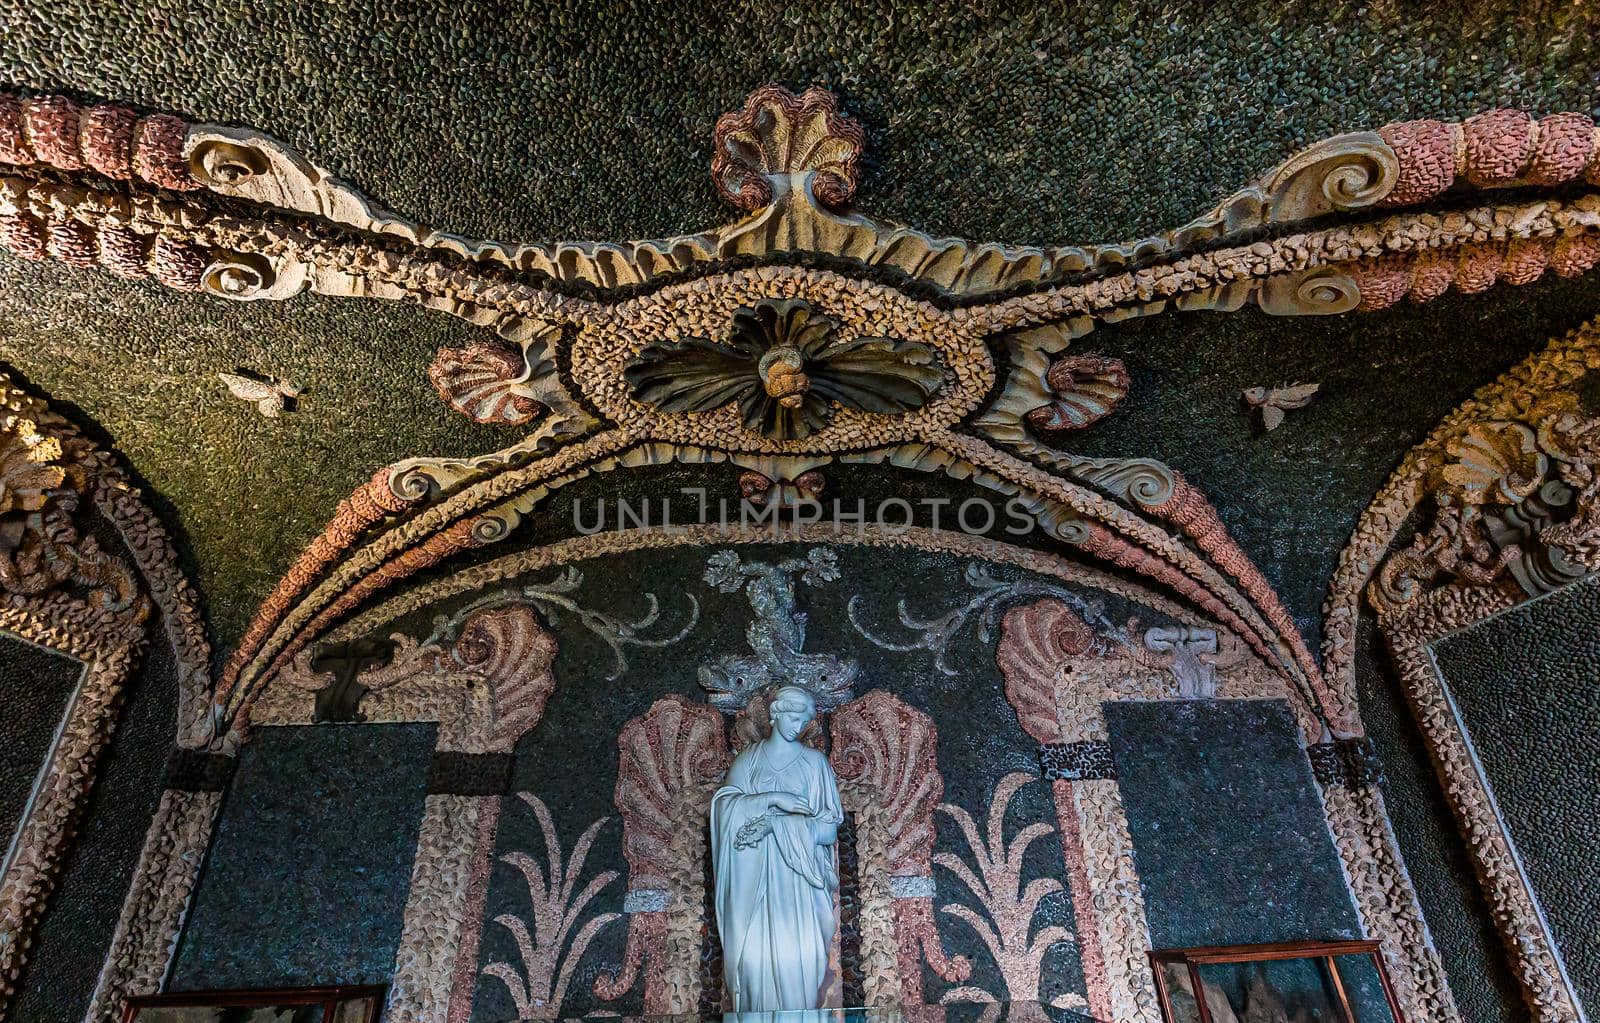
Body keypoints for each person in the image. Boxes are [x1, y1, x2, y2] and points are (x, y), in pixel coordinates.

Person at [710, 685, 844, 1011]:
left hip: (801, 885)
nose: (797, 725)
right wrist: (772, 799)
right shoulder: (749, 760)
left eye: (804, 720)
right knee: (756, 970)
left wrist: (776, 825)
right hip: (753, 885)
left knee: (801, 968)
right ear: (776, 714)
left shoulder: (815, 765)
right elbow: (724, 810)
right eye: (793, 717)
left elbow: (828, 829)